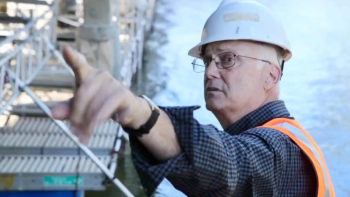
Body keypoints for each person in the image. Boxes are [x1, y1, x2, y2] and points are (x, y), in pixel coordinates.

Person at [51, 0, 335, 196]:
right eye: (208, 60)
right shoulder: (278, 140)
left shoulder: (281, 153)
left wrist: (140, 113)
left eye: (227, 59)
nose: (210, 71)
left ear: (272, 76)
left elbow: (230, 166)